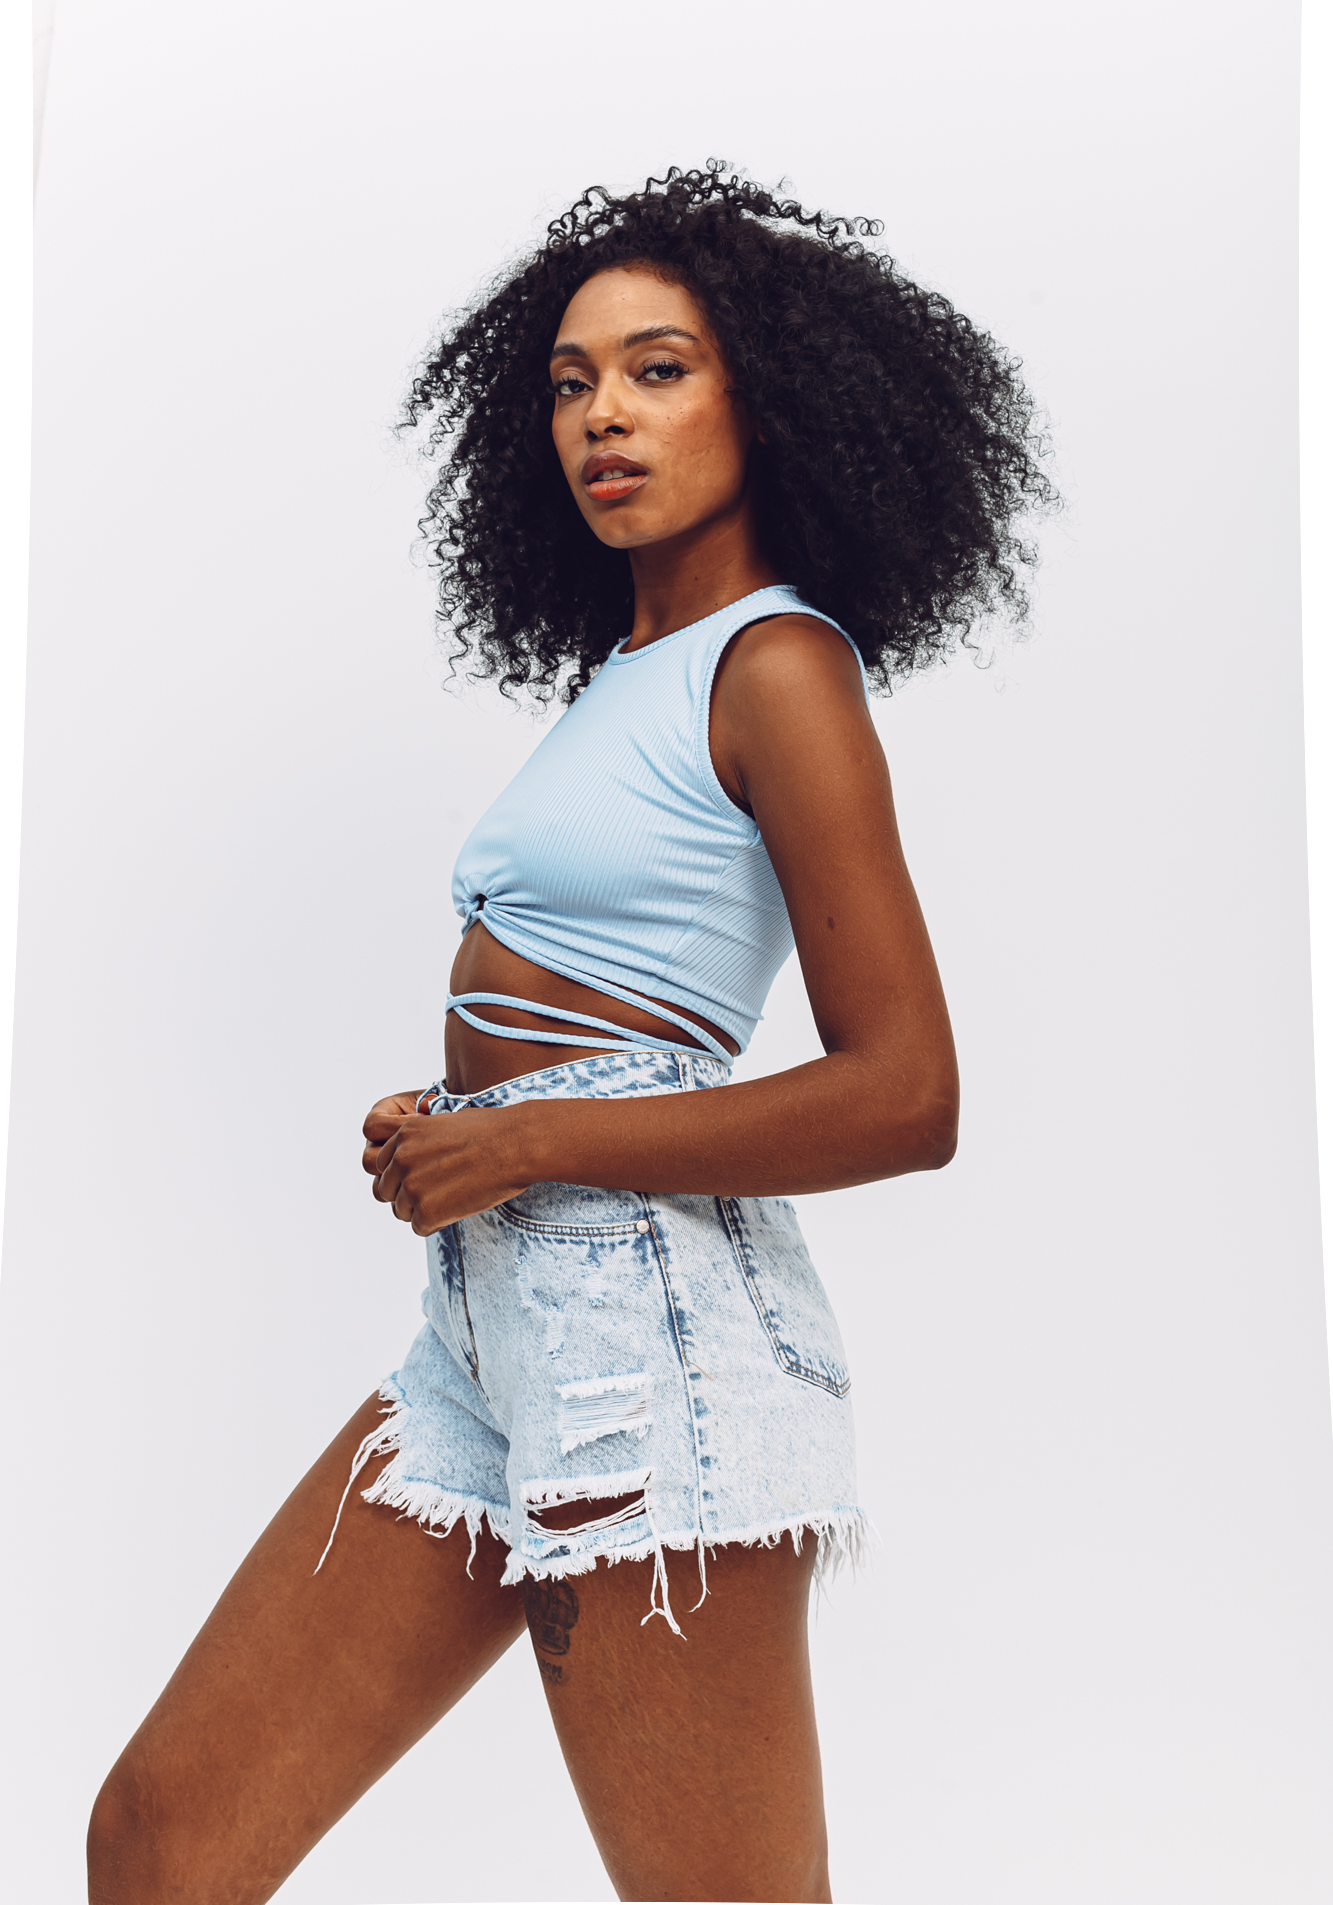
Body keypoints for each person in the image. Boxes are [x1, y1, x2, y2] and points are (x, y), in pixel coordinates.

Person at [87, 163, 1054, 1905]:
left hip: (651, 1339)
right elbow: (586, 1004)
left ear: (767, 398)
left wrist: (528, 1135)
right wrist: (455, 1118)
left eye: (658, 370)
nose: (602, 414)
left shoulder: (776, 667)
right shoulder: (626, 675)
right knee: (164, 1837)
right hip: (484, 1326)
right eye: (569, 382)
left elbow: (906, 1095)